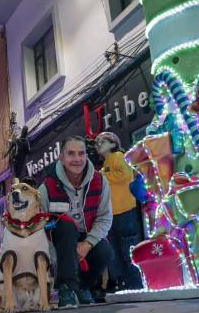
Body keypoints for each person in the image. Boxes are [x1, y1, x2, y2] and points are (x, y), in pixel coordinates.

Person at [38, 136, 114, 308]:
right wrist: (55, 257)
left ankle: (82, 286)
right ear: (62, 157)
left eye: (81, 153)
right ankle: (65, 287)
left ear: (87, 156)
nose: (77, 159)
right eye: (71, 154)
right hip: (60, 240)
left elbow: (105, 217)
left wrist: (87, 244)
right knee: (65, 226)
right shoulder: (46, 187)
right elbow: (40, 225)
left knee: (105, 251)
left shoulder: (100, 182)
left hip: (87, 237)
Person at [95, 132, 143, 291]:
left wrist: (103, 175)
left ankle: (136, 281)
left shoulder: (118, 156)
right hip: (112, 214)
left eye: (103, 141)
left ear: (113, 143)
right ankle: (124, 282)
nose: (98, 144)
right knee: (115, 250)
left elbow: (125, 175)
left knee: (129, 246)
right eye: (98, 142)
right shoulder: (106, 164)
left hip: (125, 210)